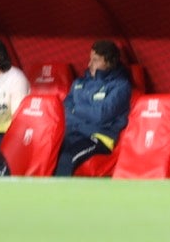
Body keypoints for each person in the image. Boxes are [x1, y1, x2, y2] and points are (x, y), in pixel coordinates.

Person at [55, 41, 133, 176]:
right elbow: (64, 109)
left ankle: (60, 190)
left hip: (99, 137)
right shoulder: (79, 83)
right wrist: (85, 111)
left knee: (66, 159)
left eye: (95, 60)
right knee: (44, 150)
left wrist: (76, 109)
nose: (89, 64)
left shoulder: (120, 86)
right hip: (72, 133)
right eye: (90, 59)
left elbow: (101, 115)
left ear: (110, 62)